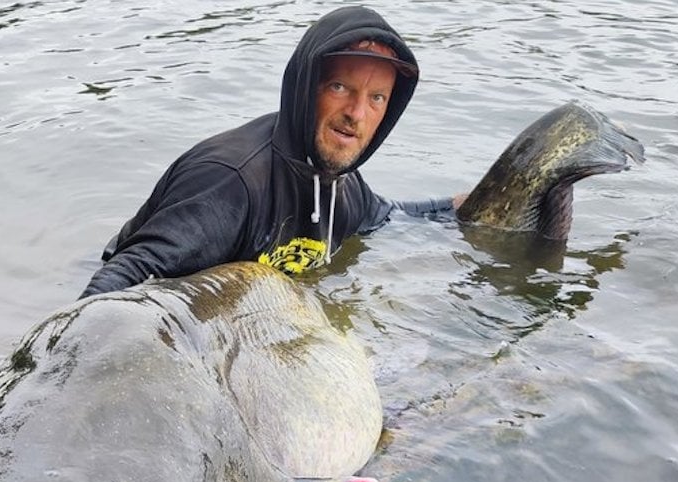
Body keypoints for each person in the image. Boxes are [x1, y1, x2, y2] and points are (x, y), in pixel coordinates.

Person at [80, 6, 460, 298]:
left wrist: (460, 207)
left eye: (377, 98)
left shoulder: (342, 184)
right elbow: (128, 273)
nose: (357, 115)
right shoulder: (231, 182)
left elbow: (390, 217)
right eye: (341, 88)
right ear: (305, 86)